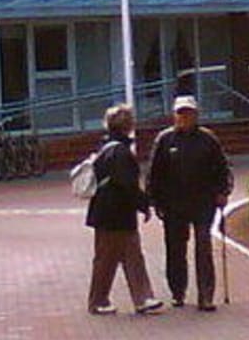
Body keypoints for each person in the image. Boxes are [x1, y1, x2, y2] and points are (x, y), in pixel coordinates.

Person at [146, 94, 232, 311]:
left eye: (189, 113)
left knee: (203, 247)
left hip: (203, 202)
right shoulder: (165, 140)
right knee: (175, 249)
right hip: (173, 204)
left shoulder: (208, 139)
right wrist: (155, 201)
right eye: (180, 113)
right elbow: (154, 173)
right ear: (174, 115)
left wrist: (223, 191)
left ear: (196, 115)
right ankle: (178, 292)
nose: (184, 117)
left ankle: (206, 295)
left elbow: (223, 168)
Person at [85, 105, 165, 316]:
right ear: (127, 126)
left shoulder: (105, 148)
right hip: (117, 212)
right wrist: (144, 204)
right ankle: (128, 299)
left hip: (104, 211)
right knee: (117, 257)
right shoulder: (121, 152)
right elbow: (127, 184)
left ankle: (132, 299)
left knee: (113, 257)